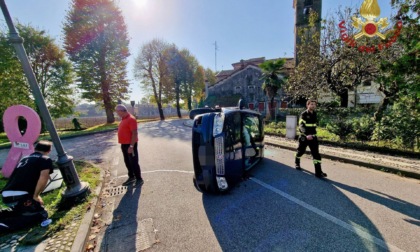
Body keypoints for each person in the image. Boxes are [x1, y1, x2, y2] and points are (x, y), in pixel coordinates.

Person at [0, 140, 53, 232]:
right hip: (20, 195)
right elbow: (43, 177)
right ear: (49, 151)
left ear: (35, 149)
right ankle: (5, 225)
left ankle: (3, 214)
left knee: (24, 210)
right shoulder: (45, 159)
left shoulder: (25, 158)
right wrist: (36, 196)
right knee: (39, 215)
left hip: (7, 194)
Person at [295, 99, 327, 178]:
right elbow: (301, 126)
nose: (313, 105)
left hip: (313, 137)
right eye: (311, 104)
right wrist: (306, 135)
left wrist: (313, 135)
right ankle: (297, 161)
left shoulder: (315, 114)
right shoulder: (304, 114)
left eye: (314, 104)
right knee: (301, 151)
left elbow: (313, 126)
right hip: (304, 137)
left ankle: (318, 172)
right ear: (307, 105)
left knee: (316, 154)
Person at [115, 104, 144, 186]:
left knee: (134, 162)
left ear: (121, 111)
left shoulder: (131, 119)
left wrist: (131, 146)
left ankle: (139, 179)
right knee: (127, 161)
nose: (116, 113)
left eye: (117, 111)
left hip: (130, 144)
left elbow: (135, 133)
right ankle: (131, 177)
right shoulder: (123, 118)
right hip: (124, 144)